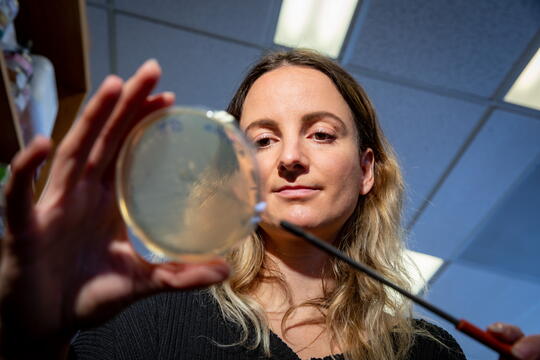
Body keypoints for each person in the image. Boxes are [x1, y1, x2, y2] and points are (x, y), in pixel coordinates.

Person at [1, 50, 539, 360]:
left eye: (323, 135)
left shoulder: (430, 353)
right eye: (262, 140)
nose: (291, 158)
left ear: (367, 170)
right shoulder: (153, 313)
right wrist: (33, 338)